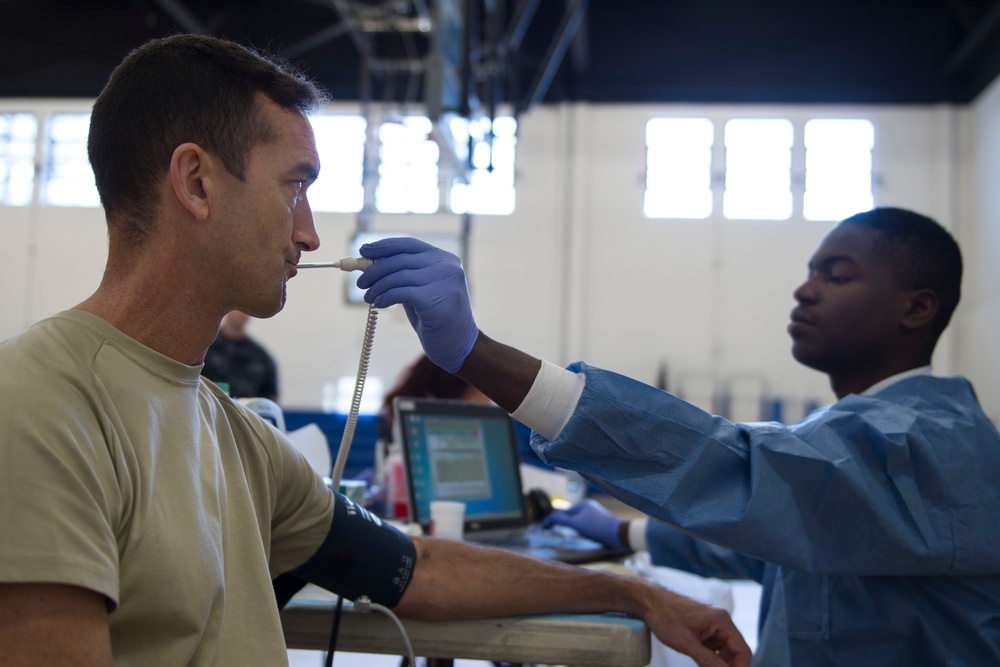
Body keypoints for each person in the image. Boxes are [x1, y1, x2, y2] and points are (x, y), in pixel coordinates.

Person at [0, 34, 750, 667]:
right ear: (196, 182)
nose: (310, 234)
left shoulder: (234, 436)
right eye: (295, 187)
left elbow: (415, 566)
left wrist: (635, 593)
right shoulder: (40, 406)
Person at [355, 207, 1000, 665]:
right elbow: (776, 537)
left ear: (917, 307)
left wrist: (476, 353)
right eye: (809, 271)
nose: (804, 289)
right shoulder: (860, 434)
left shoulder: (930, 447)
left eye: (836, 275)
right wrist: (622, 531)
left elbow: (746, 473)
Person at [202, 309, 279, 400]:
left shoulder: (260, 356)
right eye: (239, 309)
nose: (243, 314)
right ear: (228, 310)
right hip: (209, 409)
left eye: (247, 309)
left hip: (246, 412)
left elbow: (270, 397)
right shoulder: (205, 348)